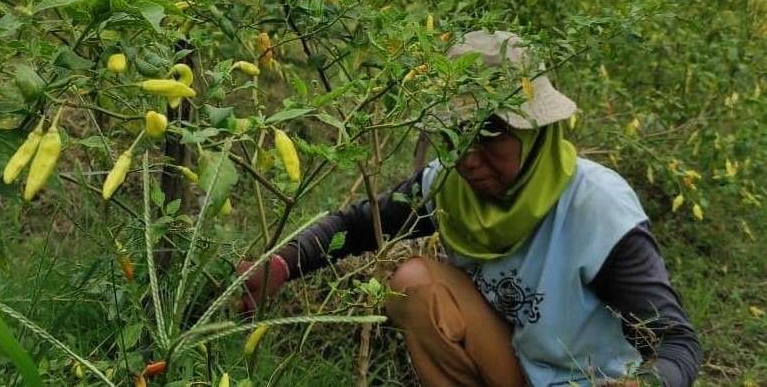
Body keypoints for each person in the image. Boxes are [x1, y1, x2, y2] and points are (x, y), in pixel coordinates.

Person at [238, 31, 702, 386]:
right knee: (414, 284)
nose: (468, 159)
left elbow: (677, 343)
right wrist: (281, 265)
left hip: (586, 377)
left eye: (491, 134)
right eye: (455, 135)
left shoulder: (595, 209)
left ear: (534, 130)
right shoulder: (448, 184)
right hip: (512, 364)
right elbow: (359, 226)